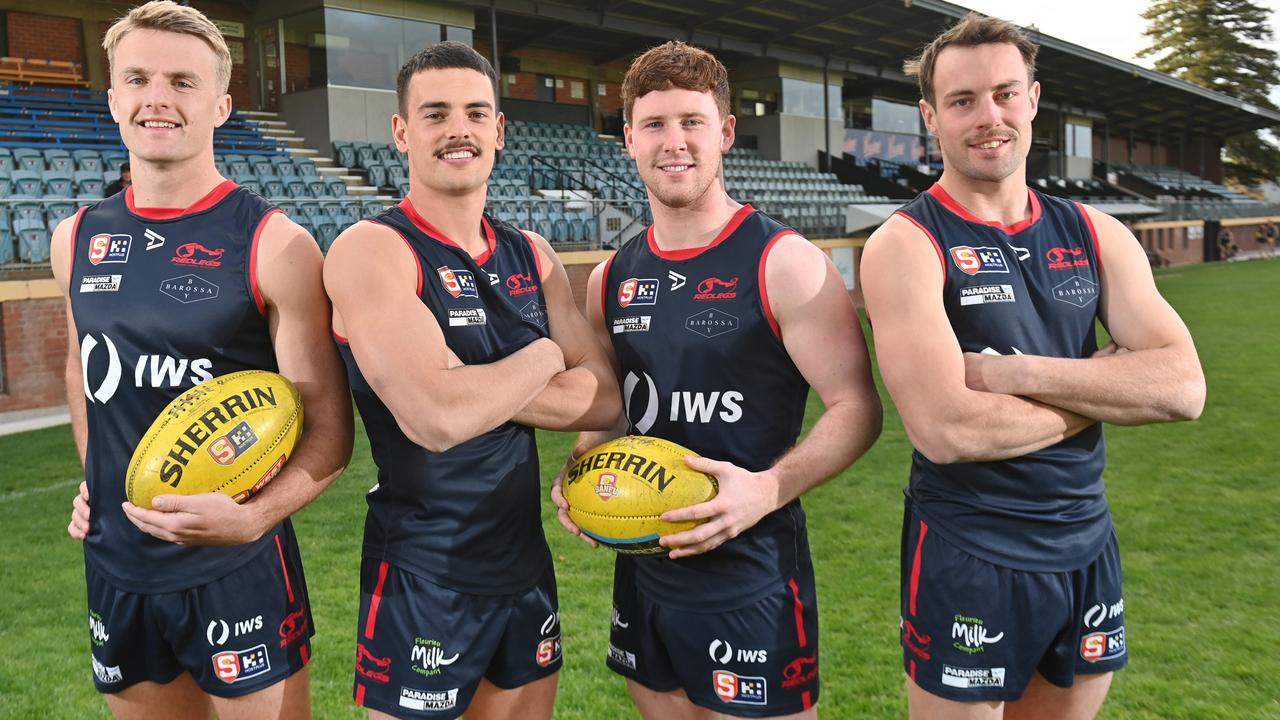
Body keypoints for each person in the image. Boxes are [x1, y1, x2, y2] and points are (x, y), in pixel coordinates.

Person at [860, 14, 1205, 720]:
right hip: (969, 549)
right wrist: (1108, 387)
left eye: (1004, 94)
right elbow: (948, 430)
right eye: (962, 102)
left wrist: (1021, 374)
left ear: (1033, 99)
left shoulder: (1094, 231)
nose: (988, 117)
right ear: (931, 117)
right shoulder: (906, 245)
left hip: (1086, 540)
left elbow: (1183, 387)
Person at [553, 41, 883, 719]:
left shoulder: (784, 262)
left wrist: (768, 488)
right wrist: (582, 467)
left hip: (751, 571)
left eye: (692, 122)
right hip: (643, 563)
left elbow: (856, 407)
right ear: (629, 141)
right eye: (654, 125)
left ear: (726, 133)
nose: (674, 142)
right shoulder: (613, 278)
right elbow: (615, 410)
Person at [54, 2, 353, 718]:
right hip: (118, 565)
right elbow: (79, 369)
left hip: (238, 565)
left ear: (221, 105)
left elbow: (331, 431)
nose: (158, 98)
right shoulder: (76, 237)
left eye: (182, 82)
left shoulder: (275, 244)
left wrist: (258, 518)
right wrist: (96, 474)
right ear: (114, 98)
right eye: (139, 79)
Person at [322, 42, 620, 720]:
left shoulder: (531, 254)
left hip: (523, 569)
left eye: (475, 113)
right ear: (402, 132)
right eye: (435, 113)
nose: (458, 129)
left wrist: (474, 383)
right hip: (424, 574)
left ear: (498, 130)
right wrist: (545, 355)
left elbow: (605, 393)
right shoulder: (372, 250)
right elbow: (437, 418)